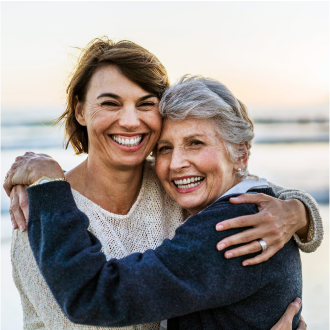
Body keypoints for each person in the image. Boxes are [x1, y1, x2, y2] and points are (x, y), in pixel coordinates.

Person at [3, 38, 321, 329]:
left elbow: (265, 196)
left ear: (242, 153)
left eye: (145, 104)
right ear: (80, 109)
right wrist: (49, 185)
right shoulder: (40, 216)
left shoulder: (222, 212)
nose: (129, 120)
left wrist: (298, 211)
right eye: (111, 103)